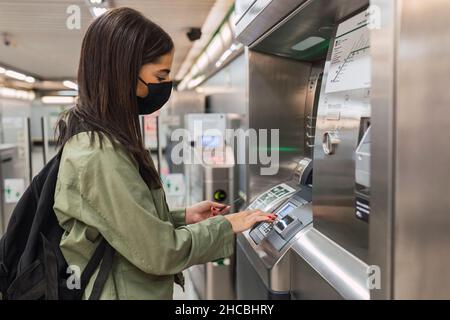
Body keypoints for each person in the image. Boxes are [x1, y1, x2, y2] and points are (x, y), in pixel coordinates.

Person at [53, 7, 275, 300]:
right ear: (125, 73)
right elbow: (159, 252)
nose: (165, 85)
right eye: (160, 75)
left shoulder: (102, 140)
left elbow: (122, 222)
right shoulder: (98, 155)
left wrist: (183, 217)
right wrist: (225, 226)